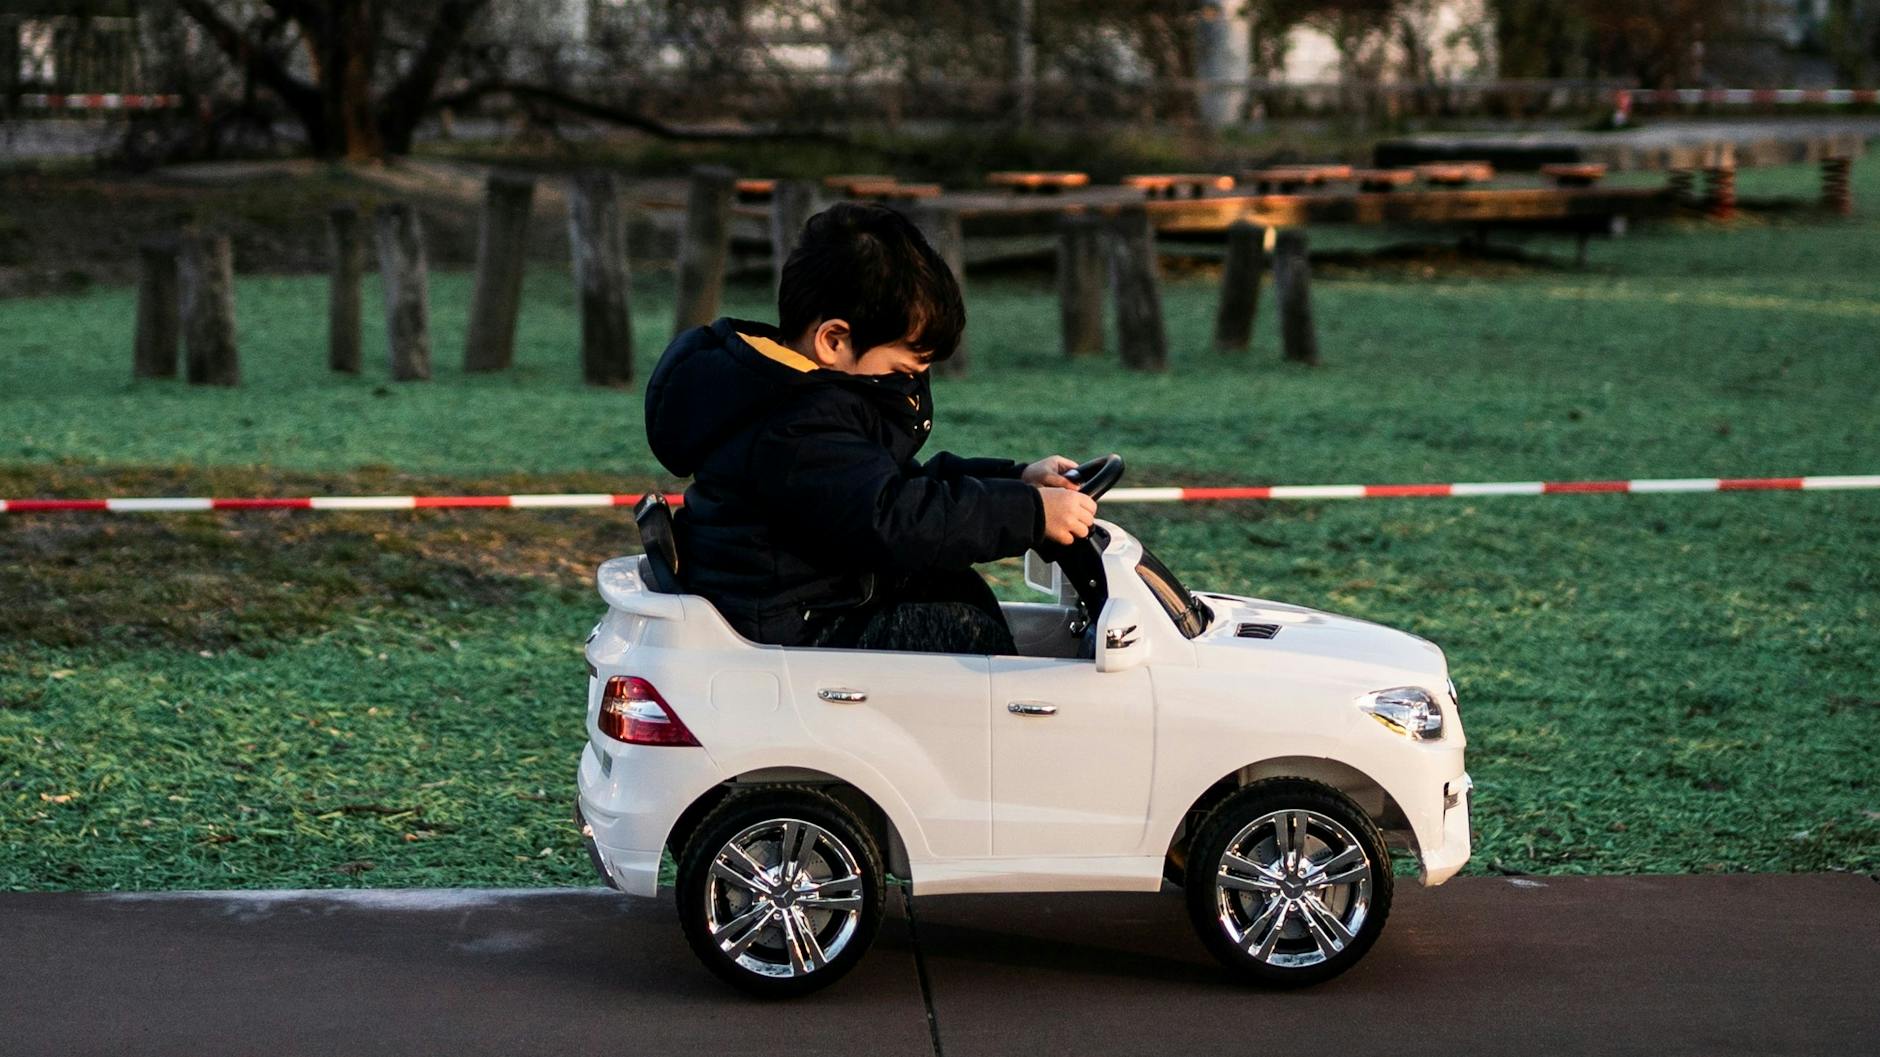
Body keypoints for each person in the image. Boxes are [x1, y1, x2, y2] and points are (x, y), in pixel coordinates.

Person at [644, 201, 1096, 652]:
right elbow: (893, 518)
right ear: (833, 340)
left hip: (817, 596)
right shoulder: (796, 426)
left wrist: (1016, 481)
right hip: (790, 627)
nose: (908, 385)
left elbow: (895, 487)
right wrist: (1028, 514)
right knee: (964, 631)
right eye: (901, 370)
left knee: (953, 586)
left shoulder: (803, 396)